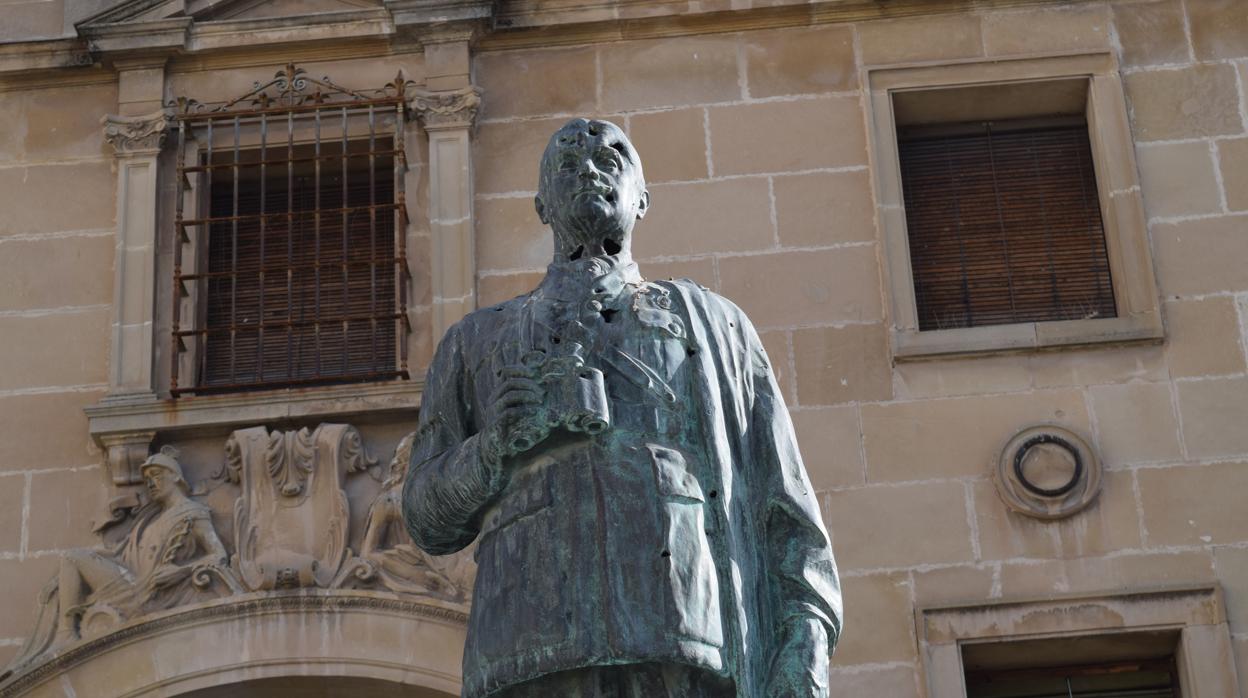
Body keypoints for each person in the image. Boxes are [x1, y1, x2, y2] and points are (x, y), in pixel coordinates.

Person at [403, 118, 841, 698]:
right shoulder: (476, 341)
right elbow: (425, 518)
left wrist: (803, 654)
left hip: (686, 647)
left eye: (611, 160)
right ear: (539, 205)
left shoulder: (716, 325)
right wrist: (492, 449)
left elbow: (787, 514)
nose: (588, 168)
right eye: (567, 163)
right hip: (524, 657)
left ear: (643, 198)